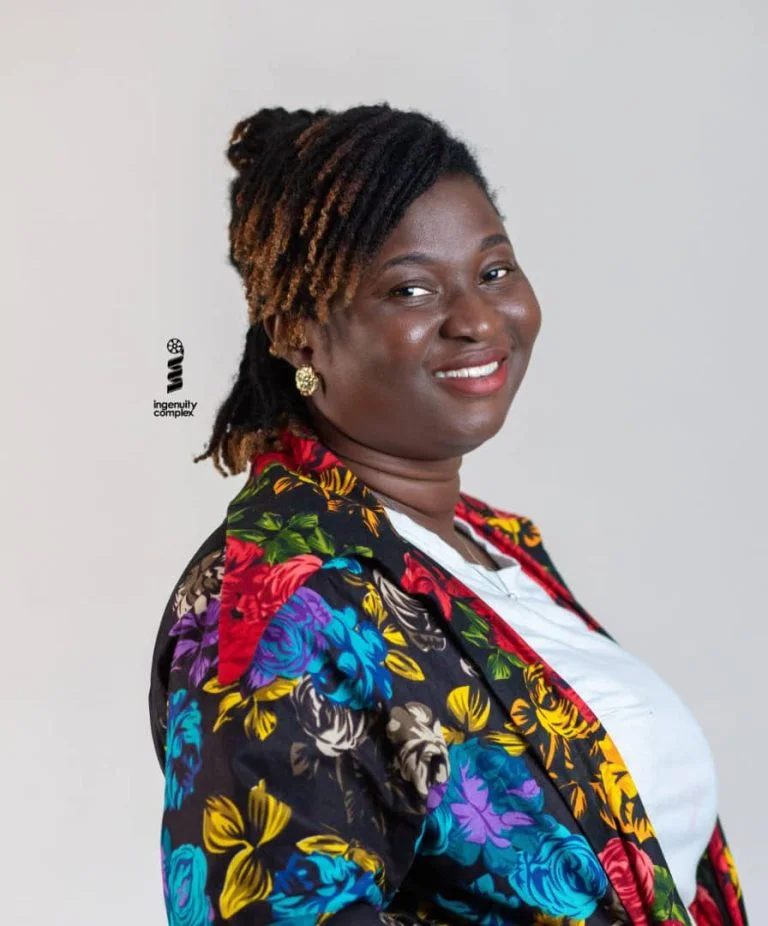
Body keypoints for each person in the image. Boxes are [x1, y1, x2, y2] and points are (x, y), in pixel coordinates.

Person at [148, 103, 748, 926]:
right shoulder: (273, 598)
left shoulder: (492, 550)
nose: (477, 319)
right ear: (297, 335)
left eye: (494, 271)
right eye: (412, 289)